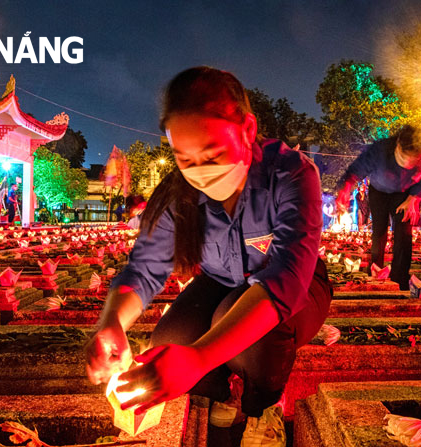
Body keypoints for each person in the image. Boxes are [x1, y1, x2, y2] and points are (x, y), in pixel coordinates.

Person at [85, 67, 331, 447]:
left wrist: (200, 358)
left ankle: (262, 407)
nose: (201, 172)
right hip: (221, 280)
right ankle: (221, 394)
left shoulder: (291, 174)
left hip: (297, 288)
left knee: (252, 336)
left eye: (213, 153)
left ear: (248, 130)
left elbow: (285, 279)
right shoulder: (178, 194)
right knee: (171, 338)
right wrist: (112, 321)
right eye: (185, 159)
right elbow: (145, 268)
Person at [335, 125, 421, 289]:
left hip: (405, 194)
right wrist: (345, 190)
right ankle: (376, 271)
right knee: (379, 230)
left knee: (404, 233)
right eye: (404, 159)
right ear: (397, 146)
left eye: (413, 162)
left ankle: (400, 279)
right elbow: (356, 169)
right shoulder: (380, 150)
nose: (407, 165)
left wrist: (414, 198)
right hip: (379, 190)